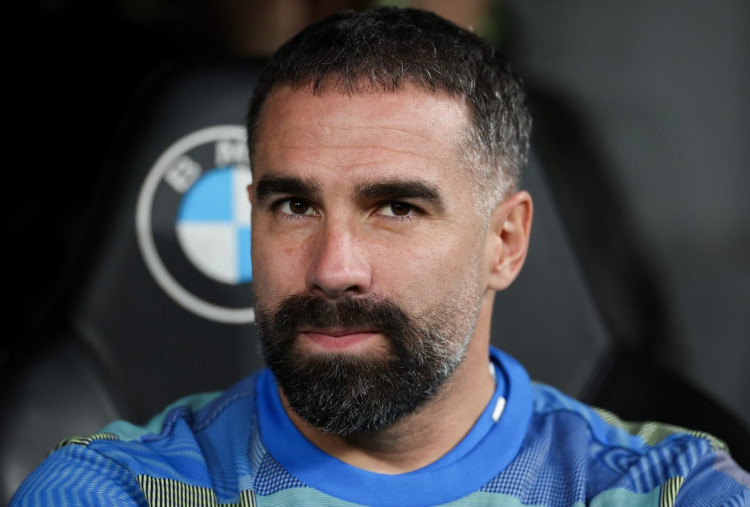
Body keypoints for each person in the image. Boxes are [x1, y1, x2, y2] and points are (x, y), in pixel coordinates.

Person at [12, 7, 750, 506]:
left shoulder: (670, 489)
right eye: (294, 205)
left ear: (505, 242)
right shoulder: (116, 490)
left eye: (397, 208)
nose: (334, 269)